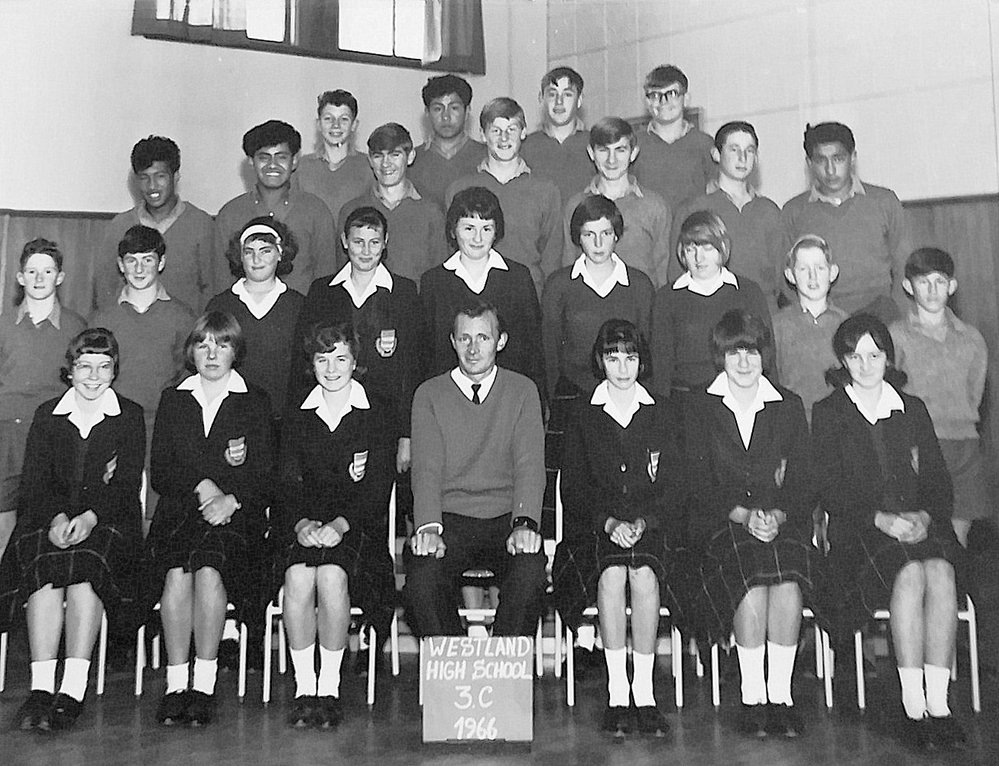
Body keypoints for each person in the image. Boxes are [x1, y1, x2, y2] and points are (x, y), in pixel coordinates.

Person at [812, 314, 966, 751]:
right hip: (860, 534)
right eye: (855, 356)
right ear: (843, 361)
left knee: (941, 572)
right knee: (911, 574)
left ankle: (940, 705)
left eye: (874, 355)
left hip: (918, 526)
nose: (865, 365)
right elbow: (827, 488)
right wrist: (880, 520)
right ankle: (912, 705)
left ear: (888, 358)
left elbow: (938, 480)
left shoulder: (912, 408)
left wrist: (925, 517)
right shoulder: (828, 412)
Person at [0, 328, 144, 731]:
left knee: (85, 568)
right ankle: (41, 687)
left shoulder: (129, 415)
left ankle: (73, 689)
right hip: (49, 519)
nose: (93, 377)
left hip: (109, 521)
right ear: (70, 370)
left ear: (115, 371)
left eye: (103, 367)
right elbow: (34, 482)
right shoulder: (48, 414)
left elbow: (126, 483)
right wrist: (57, 519)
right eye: (84, 367)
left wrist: (91, 517)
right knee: (44, 567)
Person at [681, 309, 815, 739]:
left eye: (752, 351)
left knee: (787, 577)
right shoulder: (698, 406)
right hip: (719, 525)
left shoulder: (788, 405)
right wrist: (741, 515)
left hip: (779, 523)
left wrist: (778, 515)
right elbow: (694, 481)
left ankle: (781, 695)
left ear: (764, 355)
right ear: (720, 356)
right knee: (752, 575)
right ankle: (753, 694)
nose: (743, 361)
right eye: (734, 352)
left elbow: (803, 479)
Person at [553, 319, 683, 738]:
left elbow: (675, 485)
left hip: (652, 527)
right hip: (595, 528)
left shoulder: (662, 410)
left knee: (643, 572)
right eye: (613, 358)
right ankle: (616, 692)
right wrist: (608, 523)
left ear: (642, 362)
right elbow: (573, 488)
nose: (622, 368)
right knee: (611, 573)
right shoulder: (582, 413)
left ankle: (643, 692)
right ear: (600, 361)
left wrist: (645, 522)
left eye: (630, 358)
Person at [144, 312, 272, 727]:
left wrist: (232, 500)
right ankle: (175, 683)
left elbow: (265, 473)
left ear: (236, 351)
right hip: (180, 512)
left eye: (222, 344)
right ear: (192, 352)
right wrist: (202, 486)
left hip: (237, 516)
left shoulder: (255, 400)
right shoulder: (173, 399)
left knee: (209, 568)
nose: (212, 354)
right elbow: (161, 472)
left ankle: (204, 683)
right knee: (177, 573)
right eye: (203, 345)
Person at [277, 322, 395, 729]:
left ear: (355, 361)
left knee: (330, 575)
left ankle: (329, 686)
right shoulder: (297, 414)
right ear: (311, 364)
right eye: (322, 359)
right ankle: (304, 686)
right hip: (305, 525)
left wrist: (341, 525)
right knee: (297, 577)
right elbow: (286, 482)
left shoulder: (376, 412)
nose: (331, 369)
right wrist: (300, 524)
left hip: (357, 527)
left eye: (340, 358)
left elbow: (378, 486)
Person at [404, 301, 546, 637]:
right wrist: (428, 527)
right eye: (464, 338)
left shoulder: (523, 390)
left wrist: (524, 523)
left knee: (530, 572)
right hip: (450, 518)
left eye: (483, 337)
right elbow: (426, 469)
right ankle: (456, 658)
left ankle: (502, 661)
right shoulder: (429, 394)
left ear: (501, 341)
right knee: (422, 578)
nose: (473, 348)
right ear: (452, 342)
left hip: (505, 517)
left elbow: (529, 465)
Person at [541, 195, 654, 534]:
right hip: (573, 396)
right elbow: (550, 350)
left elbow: (645, 349)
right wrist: (554, 401)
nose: (599, 243)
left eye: (606, 233)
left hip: (624, 396)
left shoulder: (639, 284)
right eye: (589, 235)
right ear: (578, 237)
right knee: (572, 483)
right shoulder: (559, 284)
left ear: (617, 235)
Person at [90, 225, 196, 527]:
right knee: (114, 510)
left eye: (147, 259)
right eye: (131, 260)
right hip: (115, 425)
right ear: (120, 265)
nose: (139, 268)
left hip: (162, 427)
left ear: (161, 263)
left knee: (156, 511)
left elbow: (188, 377)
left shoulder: (183, 316)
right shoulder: (103, 317)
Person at [889, 248, 990, 547]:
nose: (932, 290)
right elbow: (892, 395)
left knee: (959, 535)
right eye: (923, 282)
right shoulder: (897, 336)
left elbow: (975, 393)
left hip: (964, 445)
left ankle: (958, 577)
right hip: (919, 445)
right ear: (908, 287)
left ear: (952, 286)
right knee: (924, 536)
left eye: (940, 281)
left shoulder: (971, 338)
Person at [0, 239, 87, 563]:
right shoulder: (3, 325)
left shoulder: (77, 327)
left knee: (49, 523)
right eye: (32, 271)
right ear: (20, 277)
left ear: (59, 277)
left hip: (54, 437)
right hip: (7, 436)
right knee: (3, 525)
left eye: (47, 271)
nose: (39, 278)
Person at [421, 187, 545, 399]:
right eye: (469, 228)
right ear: (453, 230)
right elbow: (427, 354)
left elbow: (533, 351)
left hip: (508, 398)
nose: (478, 238)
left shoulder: (518, 277)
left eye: (486, 229)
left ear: (497, 232)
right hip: (450, 399)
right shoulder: (433, 282)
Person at [781, 122, 911, 321]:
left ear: (853, 158)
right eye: (821, 160)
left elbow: (904, 266)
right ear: (809, 163)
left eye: (838, 159)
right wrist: (808, 320)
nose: (830, 169)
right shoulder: (794, 211)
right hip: (822, 316)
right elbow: (786, 279)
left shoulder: (884, 202)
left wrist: (899, 317)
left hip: (881, 313)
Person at [446, 97, 563, 296]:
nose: (504, 138)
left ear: (524, 132)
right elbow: (451, 253)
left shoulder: (546, 191)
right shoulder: (459, 189)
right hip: (472, 298)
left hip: (529, 295)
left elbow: (552, 258)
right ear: (483, 135)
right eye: (496, 130)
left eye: (512, 129)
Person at [651, 211, 771, 394]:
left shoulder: (748, 292)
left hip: (738, 395)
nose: (699, 258)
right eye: (690, 249)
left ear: (722, 247)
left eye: (707, 248)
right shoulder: (666, 298)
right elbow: (661, 366)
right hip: (685, 399)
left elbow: (767, 357)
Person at [669, 122, 786, 310]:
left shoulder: (769, 211)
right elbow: (676, 275)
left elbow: (782, 280)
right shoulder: (693, 209)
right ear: (716, 154)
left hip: (763, 310)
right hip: (710, 310)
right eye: (734, 149)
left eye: (749, 151)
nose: (742, 158)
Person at [93, 136, 216, 313]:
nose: (152, 186)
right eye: (144, 177)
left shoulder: (201, 225)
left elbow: (212, 289)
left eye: (160, 176)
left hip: (186, 327)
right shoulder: (119, 226)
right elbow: (105, 288)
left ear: (176, 176)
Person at [215, 120, 337, 295]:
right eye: (264, 157)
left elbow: (326, 282)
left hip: (304, 311)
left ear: (295, 161)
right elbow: (221, 283)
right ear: (251, 161)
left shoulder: (316, 211)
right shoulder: (230, 215)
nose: (272, 165)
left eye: (281, 157)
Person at [207, 218, 304, 419]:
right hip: (232, 414)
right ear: (240, 256)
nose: (256, 260)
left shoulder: (299, 305)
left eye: (265, 251)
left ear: (280, 253)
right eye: (249, 252)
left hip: (285, 416)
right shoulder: (220, 305)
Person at [562, 118, 672, 288]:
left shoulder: (655, 206)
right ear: (591, 153)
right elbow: (569, 268)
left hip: (640, 301)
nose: (611, 160)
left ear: (633, 153)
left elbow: (662, 272)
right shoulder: (575, 205)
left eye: (620, 150)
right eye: (603, 150)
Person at [336, 123, 445, 284]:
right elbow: (343, 274)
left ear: (410, 156)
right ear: (370, 160)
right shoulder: (351, 210)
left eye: (395, 155)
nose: (385, 164)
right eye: (378, 156)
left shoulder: (432, 210)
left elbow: (440, 274)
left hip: (417, 299)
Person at [772, 234, 848, 423]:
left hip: (837, 421)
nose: (812, 276)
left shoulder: (846, 324)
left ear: (833, 273)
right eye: (803, 269)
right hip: (792, 421)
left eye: (820, 268)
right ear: (790, 275)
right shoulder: (777, 325)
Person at [632, 65, 715, 211]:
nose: (663, 101)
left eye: (672, 94)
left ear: (686, 99)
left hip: (694, 225)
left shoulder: (704, 144)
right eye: (655, 95)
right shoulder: (633, 145)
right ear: (647, 102)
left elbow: (717, 195)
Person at [293, 90, 372, 226]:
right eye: (328, 119)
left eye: (344, 119)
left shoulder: (368, 166)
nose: (336, 125)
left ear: (354, 125)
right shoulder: (301, 167)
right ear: (318, 124)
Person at [408, 75, 486, 209]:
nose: (446, 117)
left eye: (454, 108)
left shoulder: (486, 157)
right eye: (438, 109)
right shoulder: (411, 162)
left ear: (467, 111)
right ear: (427, 112)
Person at [520, 66, 593, 204]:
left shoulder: (596, 144)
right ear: (541, 98)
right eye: (552, 94)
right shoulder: (525, 147)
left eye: (567, 94)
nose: (559, 101)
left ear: (579, 100)